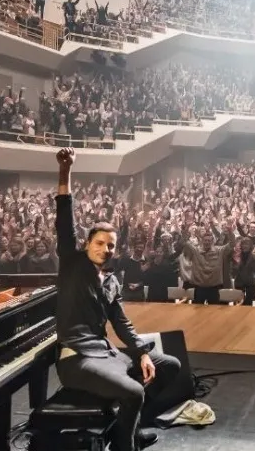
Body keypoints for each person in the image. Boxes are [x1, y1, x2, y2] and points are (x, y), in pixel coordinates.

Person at [53, 147, 181, 451]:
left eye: (111, 245)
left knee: (170, 366)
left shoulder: (110, 280)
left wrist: (142, 353)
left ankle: (130, 428)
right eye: (99, 243)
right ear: (86, 245)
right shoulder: (73, 265)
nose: (106, 249)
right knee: (135, 392)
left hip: (106, 353)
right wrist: (65, 171)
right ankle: (126, 445)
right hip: (77, 358)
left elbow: (121, 322)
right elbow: (63, 220)